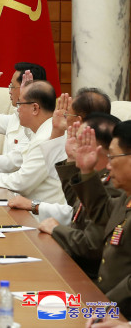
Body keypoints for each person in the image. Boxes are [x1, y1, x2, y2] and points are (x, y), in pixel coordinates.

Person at [30, 117, 121, 279]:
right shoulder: (97, 178)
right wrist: (72, 160)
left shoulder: (113, 186)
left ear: (97, 148)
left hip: (88, 274)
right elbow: (76, 204)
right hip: (74, 262)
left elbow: (91, 246)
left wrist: (56, 229)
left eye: (81, 140)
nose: (74, 144)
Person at [68, 121, 131, 318]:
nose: (108, 165)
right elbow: (102, 211)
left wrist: (103, 308)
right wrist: (86, 171)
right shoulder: (126, 197)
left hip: (119, 312)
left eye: (112, 157)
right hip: (103, 301)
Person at [0, 80, 65, 204]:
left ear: (35, 108)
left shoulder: (45, 138)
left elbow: (21, 182)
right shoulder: (44, 130)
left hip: (40, 212)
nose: (17, 109)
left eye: (20, 104)